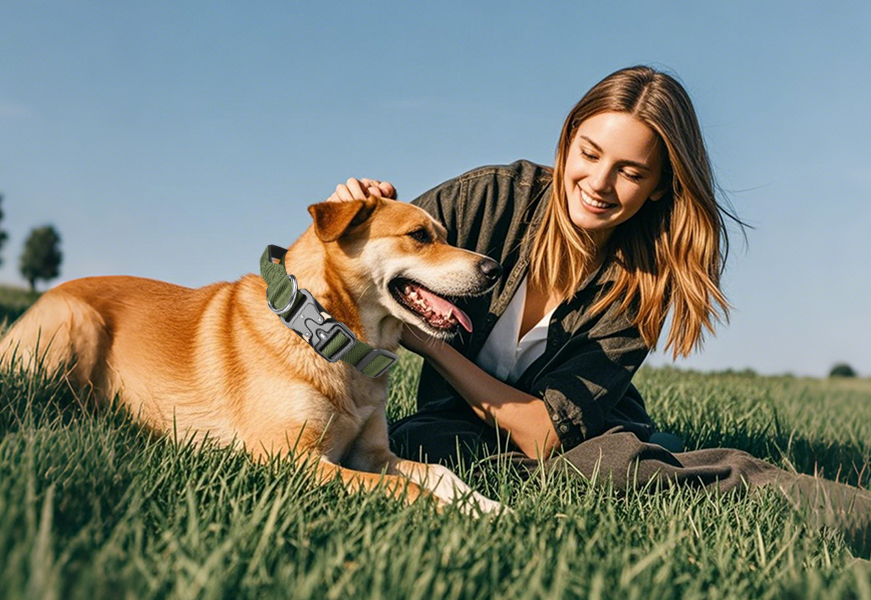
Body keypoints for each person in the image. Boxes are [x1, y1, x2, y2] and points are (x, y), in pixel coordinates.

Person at [326, 65, 871, 555]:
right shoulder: (487, 199)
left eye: (631, 172)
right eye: (589, 154)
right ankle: (639, 459)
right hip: (456, 425)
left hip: (576, 431)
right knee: (425, 444)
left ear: (659, 187)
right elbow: (365, 273)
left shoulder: (644, 284)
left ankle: (837, 508)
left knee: (596, 469)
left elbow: (544, 435)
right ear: (567, 142)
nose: (599, 184)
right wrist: (358, 215)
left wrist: (432, 344)